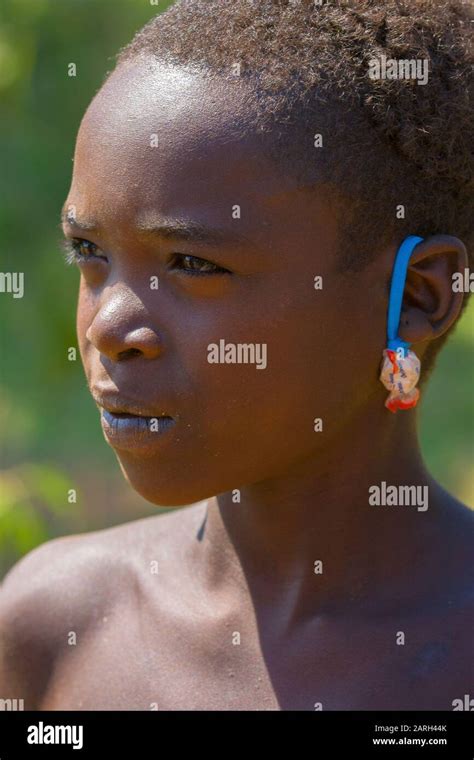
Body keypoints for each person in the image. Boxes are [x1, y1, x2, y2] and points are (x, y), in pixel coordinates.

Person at [1, 0, 473, 711]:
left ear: (417, 298)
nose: (108, 326)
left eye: (192, 262)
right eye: (90, 255)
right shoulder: (54, 629)